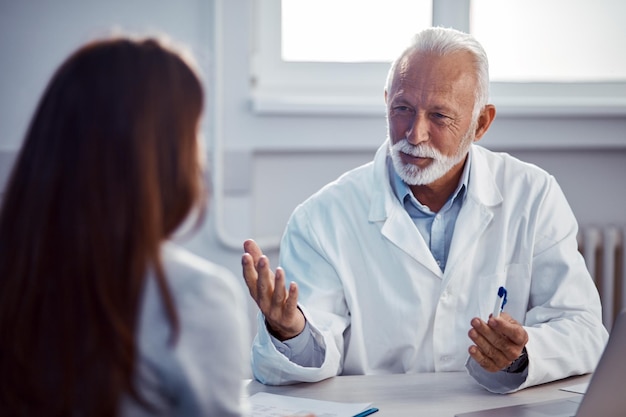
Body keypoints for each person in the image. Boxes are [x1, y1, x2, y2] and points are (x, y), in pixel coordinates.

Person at [241, 27, 609, 394]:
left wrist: (522, 352)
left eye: (439, 116)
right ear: (386, 101)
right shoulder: (320, 219)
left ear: (481, 123)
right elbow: (309, 357)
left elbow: (583, 328)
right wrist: (290, 331)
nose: (414, 134)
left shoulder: (533, 195)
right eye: (402, 109)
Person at [0, 36, 250, 416]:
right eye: (194, 134)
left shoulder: (16, 274)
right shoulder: (193, 296)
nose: (201, 158)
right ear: (159, 156)